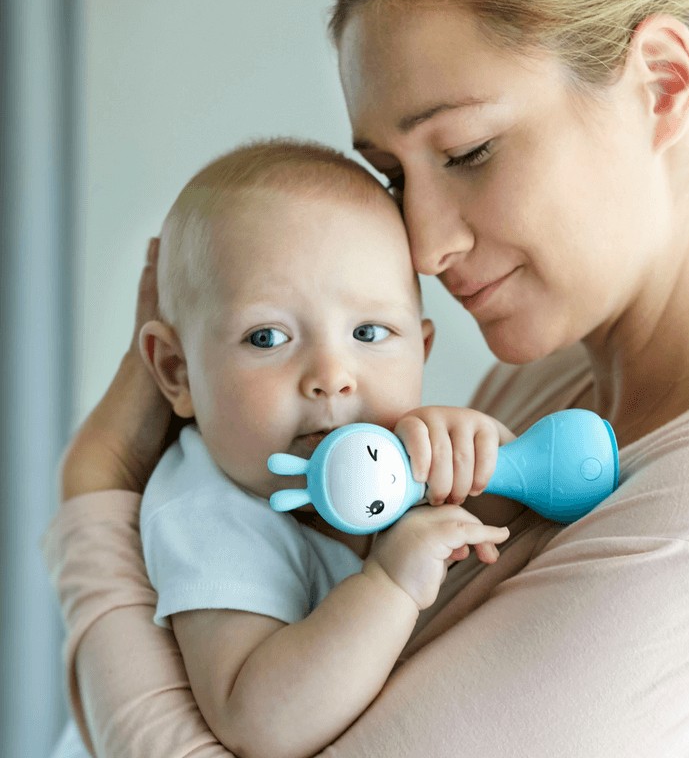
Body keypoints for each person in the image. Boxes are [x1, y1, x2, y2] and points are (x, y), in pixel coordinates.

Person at [42, 0, 689, 755]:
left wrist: (95, 489)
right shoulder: (544, 380)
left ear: (663, 84)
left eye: (468, 150)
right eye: (393, 177)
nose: (425, 248)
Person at [52, 138, 516, 758]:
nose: (332, 375)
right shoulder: (209, 510)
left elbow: (511, 537)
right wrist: (389, 584)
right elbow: (260, 722)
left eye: (369, 332)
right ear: (177, 373)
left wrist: (484, 458)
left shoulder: (396, 459)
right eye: (267, 337)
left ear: (421, 351)